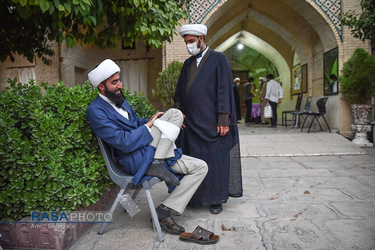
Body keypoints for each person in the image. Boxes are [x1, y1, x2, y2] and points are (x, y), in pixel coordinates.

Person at [86, 59, 208, 235]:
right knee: (174, 114)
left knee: (201, 167)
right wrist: (150, 125)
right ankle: (157, 162)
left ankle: (164, 209)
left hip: (149, 151)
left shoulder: (120, 100)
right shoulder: (95, 110)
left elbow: (136, 123)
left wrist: (155, 120)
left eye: (119, 80)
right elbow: (123, 141)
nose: (120, 85)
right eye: (114, 82)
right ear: (101, 87)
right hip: (133, 158)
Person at [174, 24, 243, 214]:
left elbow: (224, 89)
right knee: (194, 160)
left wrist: (223, 118)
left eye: (191, 41)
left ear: (201, 39)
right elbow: (180, 91)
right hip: (192, 123)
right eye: (186, 42)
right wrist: (179, 113)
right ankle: (195, 197)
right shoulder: (187, 64)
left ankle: (215, 198)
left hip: (213, 123)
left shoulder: (218, 59)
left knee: (215, 160)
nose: (188, 45)